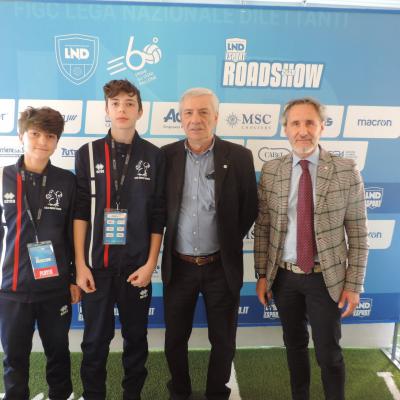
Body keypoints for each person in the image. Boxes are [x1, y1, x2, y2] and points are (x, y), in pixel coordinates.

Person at [254, 97, 369, 400]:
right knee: (294, 346)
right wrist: (262, 275)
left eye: (309, 123)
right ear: (286, 129)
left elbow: (358, 233)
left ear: (321, 127)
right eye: (295, 123)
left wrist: (353, 285)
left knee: (328, 353)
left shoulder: (345, 170)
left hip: (326, 279)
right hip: (284, 278)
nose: (302, 130)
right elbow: (263, 228)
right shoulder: (272, 171)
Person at [161, 87, 258, 400]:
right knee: (175, 340)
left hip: (220, 266)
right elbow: (158, 209)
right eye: (188, 112)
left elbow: (250, 208)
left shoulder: (239, 157)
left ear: (216, 117)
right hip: (179, 267)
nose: (196, 119)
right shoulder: (166, 157)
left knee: (224, 341)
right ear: (180, 118)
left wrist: (227, 242)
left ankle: (217, 393)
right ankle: (180, 392)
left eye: (203, 112)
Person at [74, 79, 165, 400]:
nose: (122, 109)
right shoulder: (87, 153)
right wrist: (80, 265)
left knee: (136, 340)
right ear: (106, 110)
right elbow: (80, 213)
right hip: (96, 269)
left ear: (140, 111)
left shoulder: (154, 156)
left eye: (129, 103)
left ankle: (132, 395)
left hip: (136, 269)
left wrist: (151, 263)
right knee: (94, 342)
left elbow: (158, 216)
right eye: (115, 103)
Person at [0, 106, 80, 399]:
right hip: (11, 289)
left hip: (54, 289)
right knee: (14, 358)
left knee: (58, 353)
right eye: (35, 134)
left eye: (50, 136)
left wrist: (73, 278)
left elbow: (73, 235)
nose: (42, 142)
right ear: (21, 135)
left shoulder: (67, 181)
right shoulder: (3, 177)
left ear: (57, 141)